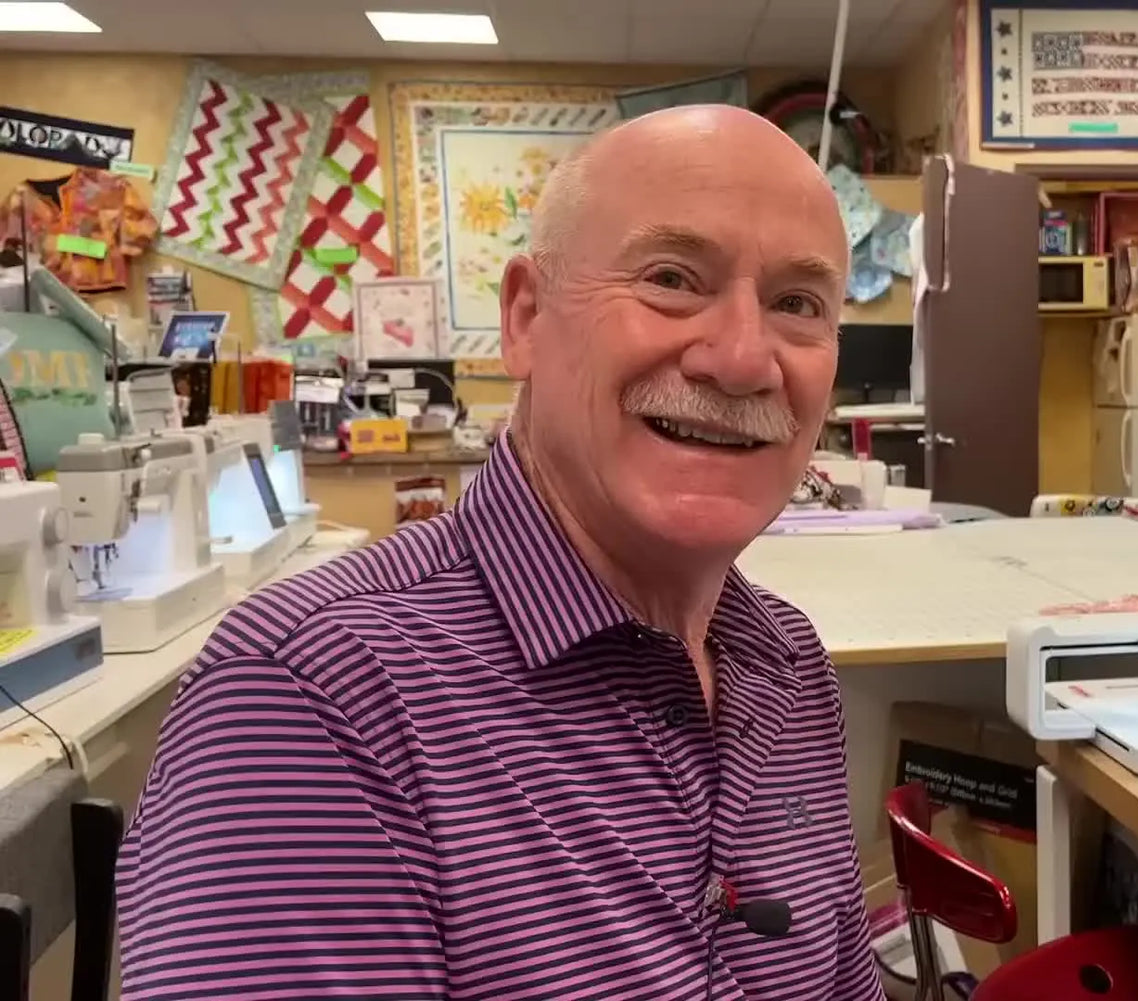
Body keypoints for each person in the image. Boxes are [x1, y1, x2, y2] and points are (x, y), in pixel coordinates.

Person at [116, 106, 884, 1001]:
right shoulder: (312, 701)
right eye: (672, 279)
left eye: (798, 304)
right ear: (525, 317)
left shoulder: (791, 668)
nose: (744, 359)